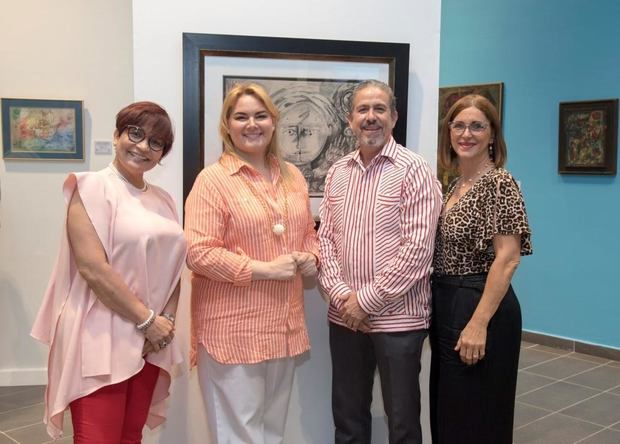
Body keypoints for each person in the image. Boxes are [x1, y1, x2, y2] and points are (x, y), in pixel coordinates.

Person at [30, 101, 187, 442]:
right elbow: (93, 269)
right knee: (98, 437)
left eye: (156, 142)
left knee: (131, 436)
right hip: (100, 333)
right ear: (116, 136)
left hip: (151, 340)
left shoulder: (164, 199)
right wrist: (148, 321)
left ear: (162, 154)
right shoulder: (90, 188)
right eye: (135, 133)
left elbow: (176, 266)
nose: (143, 146)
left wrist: (165, 325)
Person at [184, 82, 319, 444]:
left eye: (260, 115)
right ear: (227, 126)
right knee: (238, 434)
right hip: (232, 328)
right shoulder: (212, 181)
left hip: (283, 325)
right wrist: (264, 269)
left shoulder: (293, 177)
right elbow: (197, 251)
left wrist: (311, 257)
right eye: (241, 116)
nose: (252, 124)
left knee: (271, 430)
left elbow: (308, 234)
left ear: (273, 122)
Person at [318, 79, 442, 443]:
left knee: (402, 423)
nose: (370, 117)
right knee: (348, 417)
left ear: (394, 117)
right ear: (349, 118)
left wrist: (366, 301)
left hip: (399, 321)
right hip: (344, 319)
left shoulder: (414, 169)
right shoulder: (338, 171)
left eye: (379, 109)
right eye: (362, 109)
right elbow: (325, 240)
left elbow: (418, 248)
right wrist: (344, 298)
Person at [430, 94, 532, 443]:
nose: (466, 133)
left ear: (492, 135)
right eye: (458, 125)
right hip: (447, 302)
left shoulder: (500, 183)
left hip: (479, 304)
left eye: (477, 126)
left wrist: (477, 323)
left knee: (478, 417)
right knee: (450, 410)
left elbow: (507, 258)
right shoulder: (455, 185)